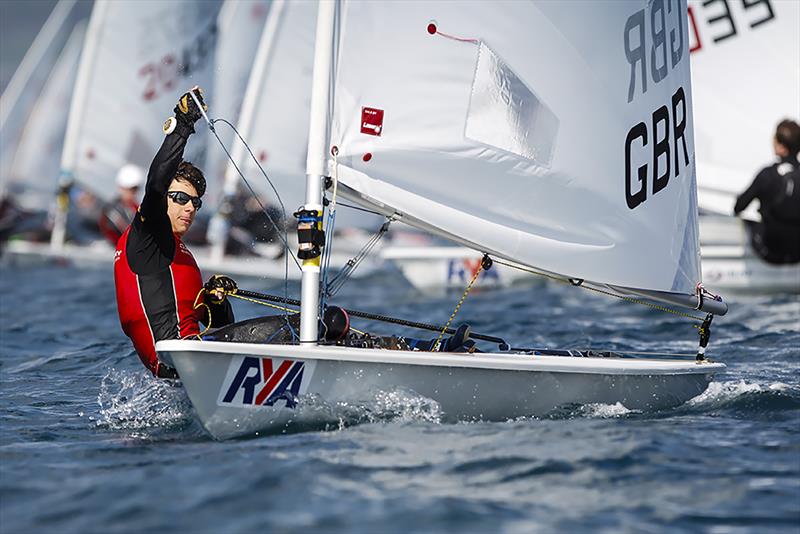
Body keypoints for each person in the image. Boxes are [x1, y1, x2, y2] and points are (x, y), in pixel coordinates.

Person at [114, 87, 237, 378]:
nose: (190, 208)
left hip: (194, 365)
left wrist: (216, 302)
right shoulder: (147, 237)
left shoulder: (180, 255)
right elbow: (156, 185)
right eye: (180, 198)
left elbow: (217, 325)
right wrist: (182, 124)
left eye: (195, 202)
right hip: (181, 361)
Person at [733, 119, 800, 264]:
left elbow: (739, 207)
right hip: (797, 254)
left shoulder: (767, 175)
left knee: (752, 223)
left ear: (781, 146)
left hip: (770, 252)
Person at [99, 164, 145, 245]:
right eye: (129, 189)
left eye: (134, 189)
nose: (131, 193)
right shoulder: (110, 210)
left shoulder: (138, 208)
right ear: (121, 187)